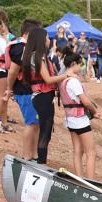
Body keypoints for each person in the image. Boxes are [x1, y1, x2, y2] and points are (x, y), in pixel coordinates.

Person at [22, 27, 68, 165]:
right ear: (41, 40)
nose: (49, 40)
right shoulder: (38, 57)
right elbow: (48, 79)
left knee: (45, 131)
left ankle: (40, 160)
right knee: (45, 132)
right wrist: (66, 75)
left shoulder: (36, 56)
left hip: (43, 96)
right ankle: (41, 163)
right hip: (42, 96)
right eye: (47, 38)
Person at [4, 18, 42, 160]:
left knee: (36, 123)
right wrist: (9, 88)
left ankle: (35, 155)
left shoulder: (27, 47)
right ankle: (27, 156)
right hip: (25, 90)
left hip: (31, 90)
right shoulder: (20, 48)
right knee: (31, 123)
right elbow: (13, 71)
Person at [59, 52, 98, 177]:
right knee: (91, 152)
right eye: (80, 64)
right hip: (80, 120)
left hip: (70, 119)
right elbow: (85, 101)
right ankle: (90, 182)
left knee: (77, 151)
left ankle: (79, 178)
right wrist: (95, 112)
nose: (81, 67)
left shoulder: (63, 80)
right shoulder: (73, 81)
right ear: (74, 64)